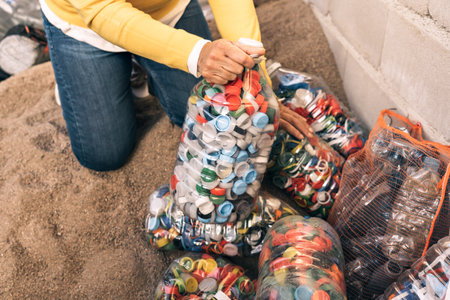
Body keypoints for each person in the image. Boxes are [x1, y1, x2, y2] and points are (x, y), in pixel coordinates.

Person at [41, 0, 314, 171]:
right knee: (104, 154)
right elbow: (100, 9)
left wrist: (258, 82)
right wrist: (196, 54)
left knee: (216, 118)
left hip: (166, 10)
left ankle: (141, 62)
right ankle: (77, 70)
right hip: (84, 23)